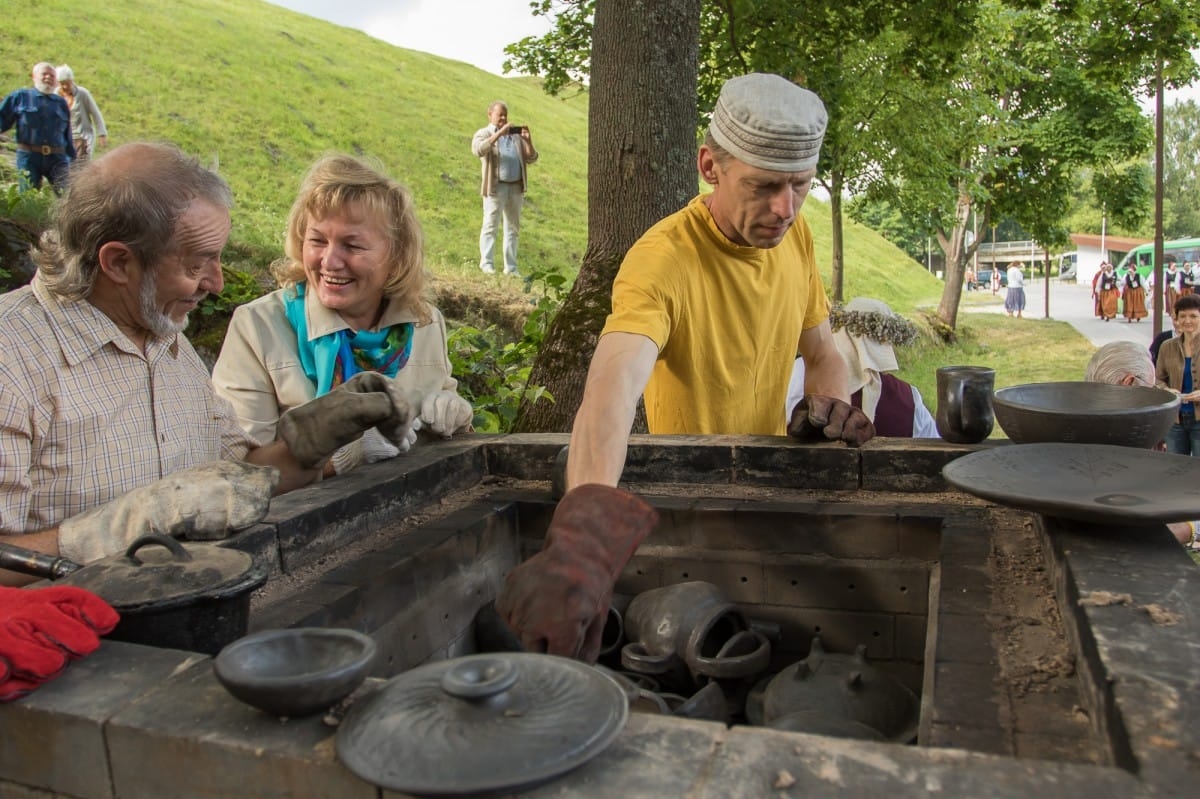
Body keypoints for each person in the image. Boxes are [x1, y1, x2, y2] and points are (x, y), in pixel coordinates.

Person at [496, 73, 874, 662]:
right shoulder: (663, 259)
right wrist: (583, 541)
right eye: (765, 186)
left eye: (800, 186)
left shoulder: (794, 238)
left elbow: (822, 351)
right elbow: (610, 394)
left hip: (770, 485)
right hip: (691, 503)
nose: (785, 208)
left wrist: (828, 407)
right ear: (709, 165)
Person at [0, 142, 418, 584]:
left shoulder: (164, 338)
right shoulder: (14, 359)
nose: (216, 282)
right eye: (197, 263)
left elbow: (243, 481)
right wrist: (121, 526)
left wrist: (320, 438)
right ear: (119, 262)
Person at [212, 154, 472, 476]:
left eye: (352, 246)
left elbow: (442, 431)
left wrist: (455, 418)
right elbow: (243, 473)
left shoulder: (424, 323)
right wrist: (348, 454)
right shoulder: (258, 327)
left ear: (396, 254)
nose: (330, 261)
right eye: (317, 240)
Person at [1085, 341, 1196, 548]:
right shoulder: (1126, 444)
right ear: (1129, 382)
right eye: (1151, 387)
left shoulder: (1079, 424)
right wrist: (1191, 528)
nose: (1154, 394)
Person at [786, 298, 937, 437]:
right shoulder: (909, 397)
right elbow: (933, 445)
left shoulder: (798, 372)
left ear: (840, 330)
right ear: (886, 342)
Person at [471, 101, 538, 276]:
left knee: (513, 228)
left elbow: (532, 158)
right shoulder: (483, 133)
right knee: (490, 225)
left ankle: (511, 268)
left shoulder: (515, 137)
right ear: (490, 114)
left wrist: (528, 141)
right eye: (500, 115)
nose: (503, 118)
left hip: (516, 187)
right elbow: (478, 150)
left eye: (505, 115)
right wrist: (499, 134)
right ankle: (486, 264)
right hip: (495, 187)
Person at [0, 62, 75, 193]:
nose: (48, 77)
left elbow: (67, 135)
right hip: (29, 157)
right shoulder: (20, 97)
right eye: (44, 74)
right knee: (28, 196)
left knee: (68, 195)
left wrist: (73, 160)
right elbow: (2, 119)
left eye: (52, 75)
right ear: (34, 77)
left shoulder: (60, 103)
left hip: (57, 159)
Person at [1154, 293, 1200, 456]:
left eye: (1193, 316)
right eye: (1183, 316)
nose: (1187, 321)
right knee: (1176, 469)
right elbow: (1158, 379)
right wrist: (1167, 390)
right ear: (1177, 318)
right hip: (1175, 419)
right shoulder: (1167, 346)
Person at [54, 65, 107, 162]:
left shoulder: (82, 94)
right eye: (62, 84)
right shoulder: (54, 96)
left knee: (81, 168)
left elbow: (96, 114)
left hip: (82, 139)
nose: (65, 87)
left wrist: (102, 133)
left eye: (67, 83)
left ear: (72, 81)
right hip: (63, 140)